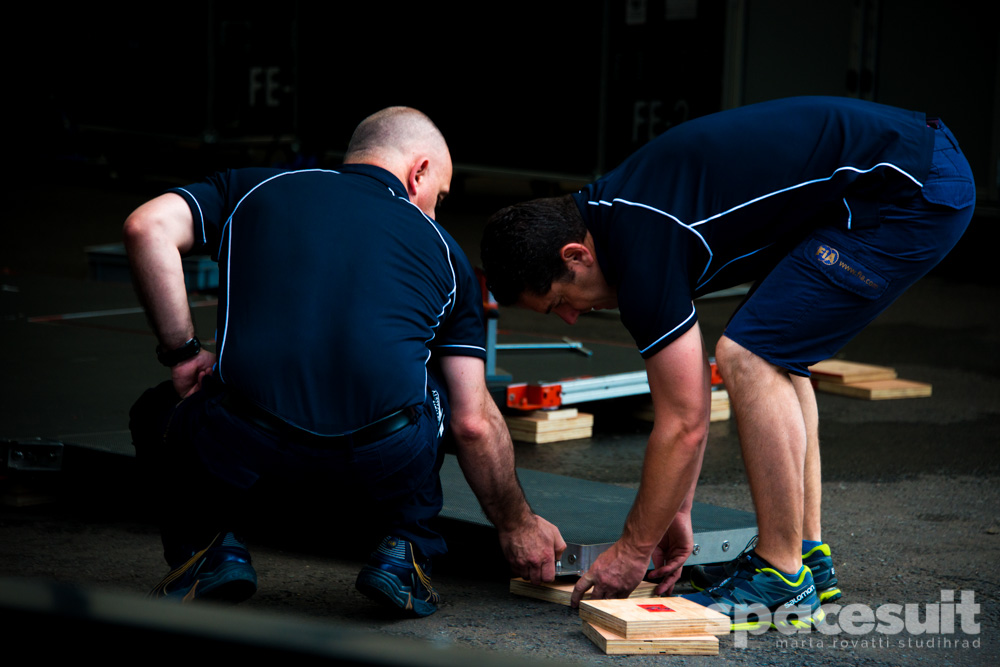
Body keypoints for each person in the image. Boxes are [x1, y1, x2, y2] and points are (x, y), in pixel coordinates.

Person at [479, 96, 975, 629]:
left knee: (749, 353)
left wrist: (632, 548)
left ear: (575, 257)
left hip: (909, 188)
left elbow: (686, 425)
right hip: (904, 174)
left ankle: (781, 576)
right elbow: (683, 400)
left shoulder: (642, 244)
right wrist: (676, 510)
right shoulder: (622, 217)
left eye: (559, 303)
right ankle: (806, 556)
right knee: (777, 354)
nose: (572, 320)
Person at [124, 106, 565, 617]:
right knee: (439, 388)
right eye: (438, 198)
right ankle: (405, 551)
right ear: (418, 171)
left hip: (245, 438)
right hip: (380, 457)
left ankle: (207, 551)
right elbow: (471, 423)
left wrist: (181, 352)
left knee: (157, 413)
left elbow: (145, 227)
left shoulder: (251, 188)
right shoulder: (447, 254)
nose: (436, 214)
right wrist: (516, 524)